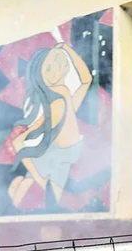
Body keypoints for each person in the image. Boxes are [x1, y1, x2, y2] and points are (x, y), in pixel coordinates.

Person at [8, 41, 92, 210]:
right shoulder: (57, 103)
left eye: (60, 61)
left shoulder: (65, 97)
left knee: (30, 199)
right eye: (49, 68)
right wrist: (39, 178)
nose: (57, 68)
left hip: (59, 157)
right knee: (41, 204)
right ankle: (23, 183)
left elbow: (86, 79)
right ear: (41, 76)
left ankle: (21, 183)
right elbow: (18, 142)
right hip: (56, 160)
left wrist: (67, 49)